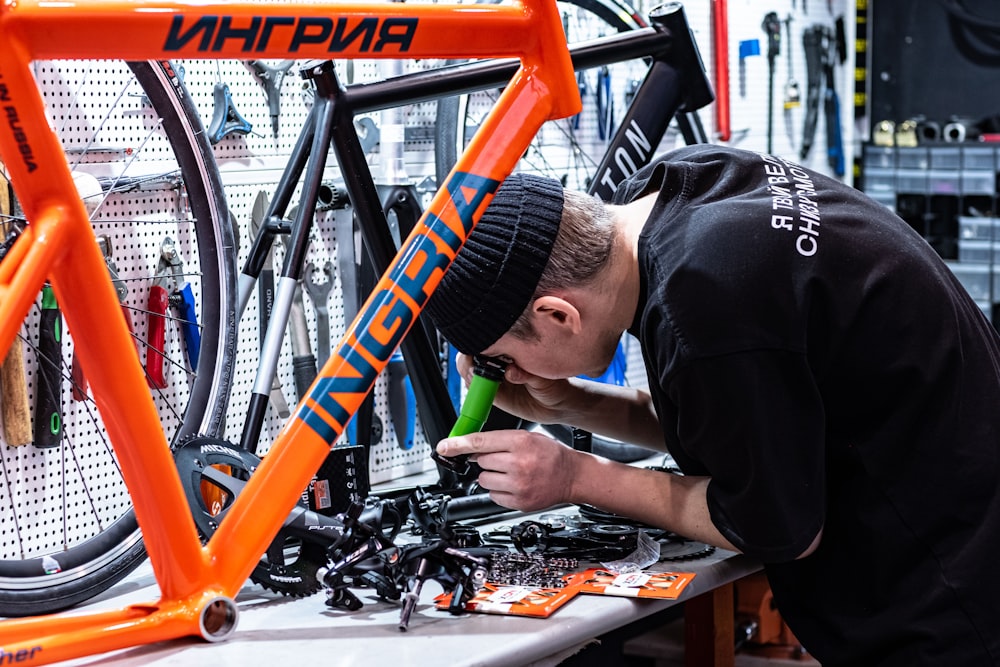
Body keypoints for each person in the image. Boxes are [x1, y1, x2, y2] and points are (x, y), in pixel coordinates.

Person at [424, 144, 1000, 666]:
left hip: (948, 596)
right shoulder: (685, 188)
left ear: (558, 315)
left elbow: (777, 527)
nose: (511, 377)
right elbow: (733, 428)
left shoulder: (705, 302)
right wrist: (570, 404)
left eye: (506, 358)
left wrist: (574, 475)